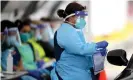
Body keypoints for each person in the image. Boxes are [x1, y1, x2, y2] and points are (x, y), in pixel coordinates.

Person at [51, 2, 108, 80]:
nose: (82, 19)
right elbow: (80, 49)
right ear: (71, 16)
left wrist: (97, 55)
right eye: (80, 16)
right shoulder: (65, 31)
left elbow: (82, 54)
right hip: (69, 75)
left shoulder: (74, 30)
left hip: (77, 73)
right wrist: (96, 46)